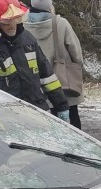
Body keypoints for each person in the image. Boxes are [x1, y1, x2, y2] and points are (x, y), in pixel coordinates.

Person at [0, 0, 70, 123]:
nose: (12, 25)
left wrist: (61, 106)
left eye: (16, 19)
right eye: (7, 21)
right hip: (7, 121)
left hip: (38, 113)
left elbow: (47, 76)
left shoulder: (26, 38)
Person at [24, 0, 85, 129]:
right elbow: (76, 52)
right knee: (72, 119)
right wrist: (78, 66)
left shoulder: (24, 25)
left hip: (38, 82)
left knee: (48, 123)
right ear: (49, 6)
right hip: (65, 81)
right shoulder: (61, 24)